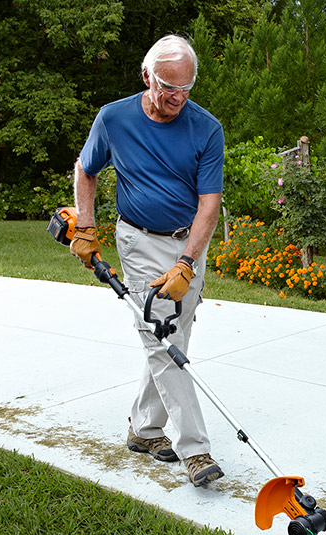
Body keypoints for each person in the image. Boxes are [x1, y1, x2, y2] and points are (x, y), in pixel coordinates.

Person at [69, 35, 225, 488]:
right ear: (146, 77)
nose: (177, 98)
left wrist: (188, 263)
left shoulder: (206, 128)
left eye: (186, 89)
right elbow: (86, 168)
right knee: (160, 339)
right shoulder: (114, 118)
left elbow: (209, 205)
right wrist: (85, 225)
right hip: (136, 240)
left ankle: (143, 428)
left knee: (174, 337)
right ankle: (195, 449)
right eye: (168, 87)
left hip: (187, 243)